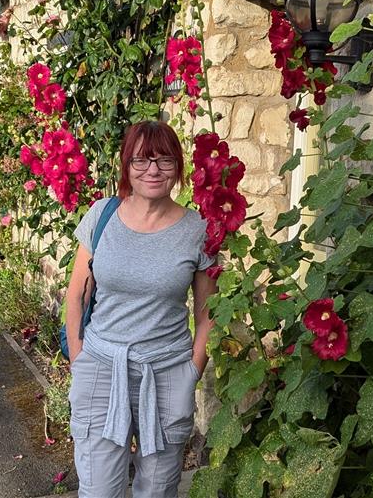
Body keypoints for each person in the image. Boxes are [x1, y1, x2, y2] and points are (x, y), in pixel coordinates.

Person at [66, 120, 218, 498]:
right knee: (99, 490)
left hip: (166, 372)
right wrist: (78, 360)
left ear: (178, 167)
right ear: (126, 166)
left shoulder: (198, 230)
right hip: (101, 367)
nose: (153, 170)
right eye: (141, 161)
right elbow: (77, 295)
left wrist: (191, 372)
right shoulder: (102, 215)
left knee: (158, 489)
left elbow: (206, 312)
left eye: (164, 161)